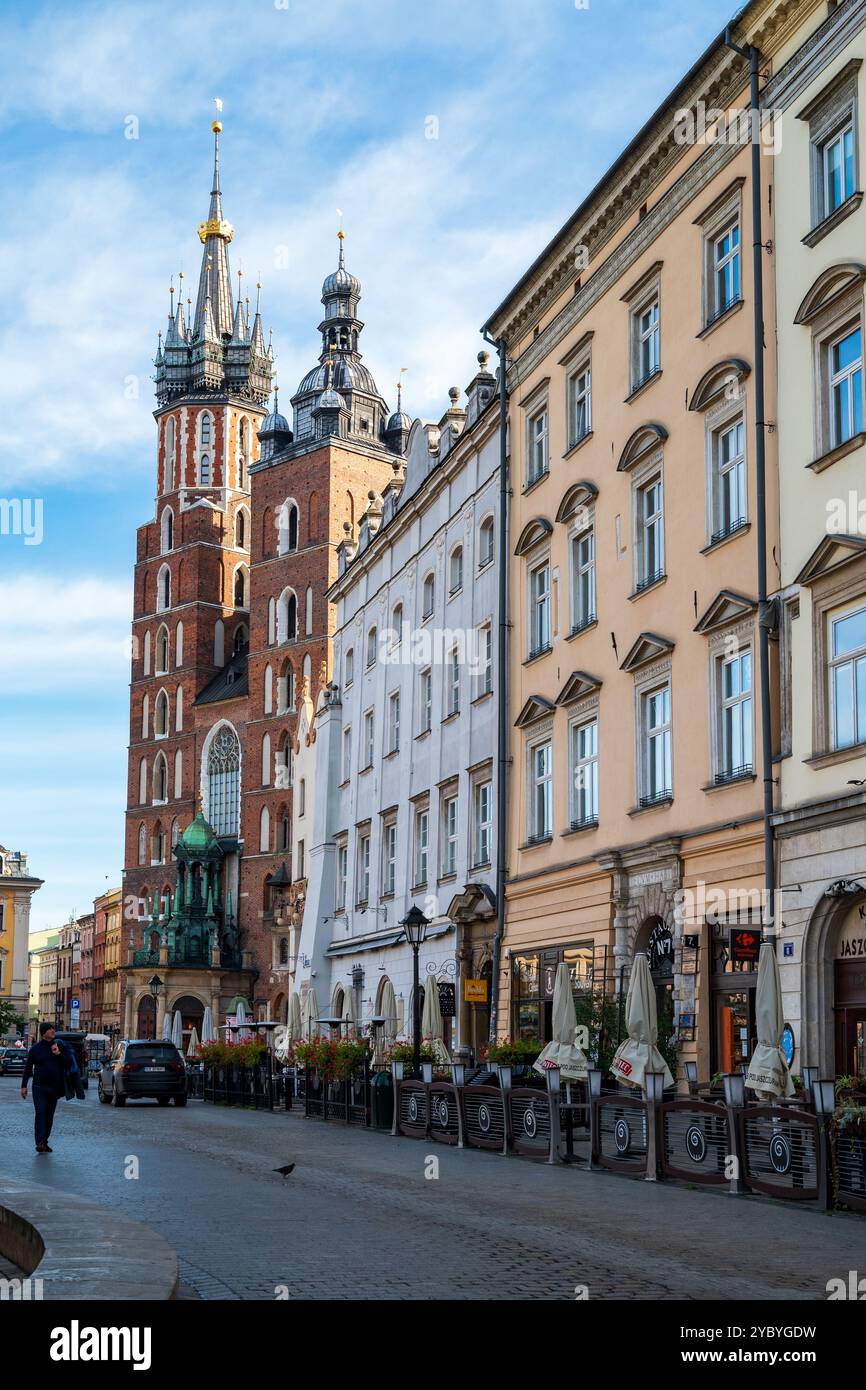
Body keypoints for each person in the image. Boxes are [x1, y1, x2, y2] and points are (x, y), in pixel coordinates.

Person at [21, 1023, 74, 1153]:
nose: (53, 1031)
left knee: (49, 1116)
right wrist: (24, 1086)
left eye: (53, 1029)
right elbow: (28, 1068)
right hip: (39, 1087)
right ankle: (39, 1142)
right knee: (40, 1113)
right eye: (50, 1029)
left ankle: (44, 1141)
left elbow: (68, 1063)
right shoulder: (35, 1049)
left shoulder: (58, 1046)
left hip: (54, 1088)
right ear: (44, 1032)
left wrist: (58, 1054)